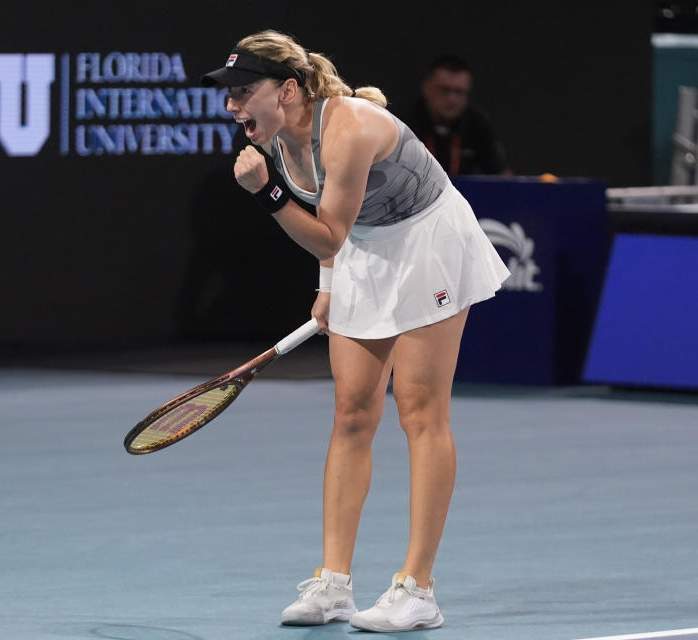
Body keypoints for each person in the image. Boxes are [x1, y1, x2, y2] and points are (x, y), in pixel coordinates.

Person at [201, 31, 509, 633]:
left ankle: (418, 590)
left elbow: (328, 232)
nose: (233, 106)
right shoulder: (282, 139)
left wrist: (264, 193)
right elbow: (335, 237)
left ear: (288, 90)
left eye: (245, 92)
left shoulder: (348, 128)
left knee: (420, 410)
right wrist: (328, 284)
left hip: (428, 243)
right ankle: (333, 584)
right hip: (364, 251)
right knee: (352, 413)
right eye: (229, 95)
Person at [405, 54, 510, 176]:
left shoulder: (478, 126)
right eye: (445, 90)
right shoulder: (402, 124)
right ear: (426, 88)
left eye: (459, 92)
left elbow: (503, 177)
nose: (452, 99)